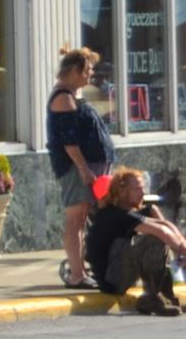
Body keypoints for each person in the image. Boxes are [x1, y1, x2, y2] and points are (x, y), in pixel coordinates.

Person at [48, 48, 116, 287]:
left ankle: (85, 267)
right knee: (76, 218)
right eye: (87, 70)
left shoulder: (73, 96)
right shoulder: (63, 98)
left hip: (94, 165)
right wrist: (84, 168)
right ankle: (77, 274)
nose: (91, 75)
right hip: (77, 169)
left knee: (86, 217)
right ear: (74, 71)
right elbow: (69, 141)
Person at [85, 168, 186, 315]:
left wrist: (181, 248)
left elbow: (165, 225)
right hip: (112, 280)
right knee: (154, 238)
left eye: (143, 188)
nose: (143, 193)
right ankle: (151, 298)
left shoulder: (130, 212)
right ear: (121, 192)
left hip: (121, 272)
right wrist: (182, 251)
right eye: (137, 189)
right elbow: (161, 232)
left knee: (157, 236)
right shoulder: (112, 215)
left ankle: (167, 296)